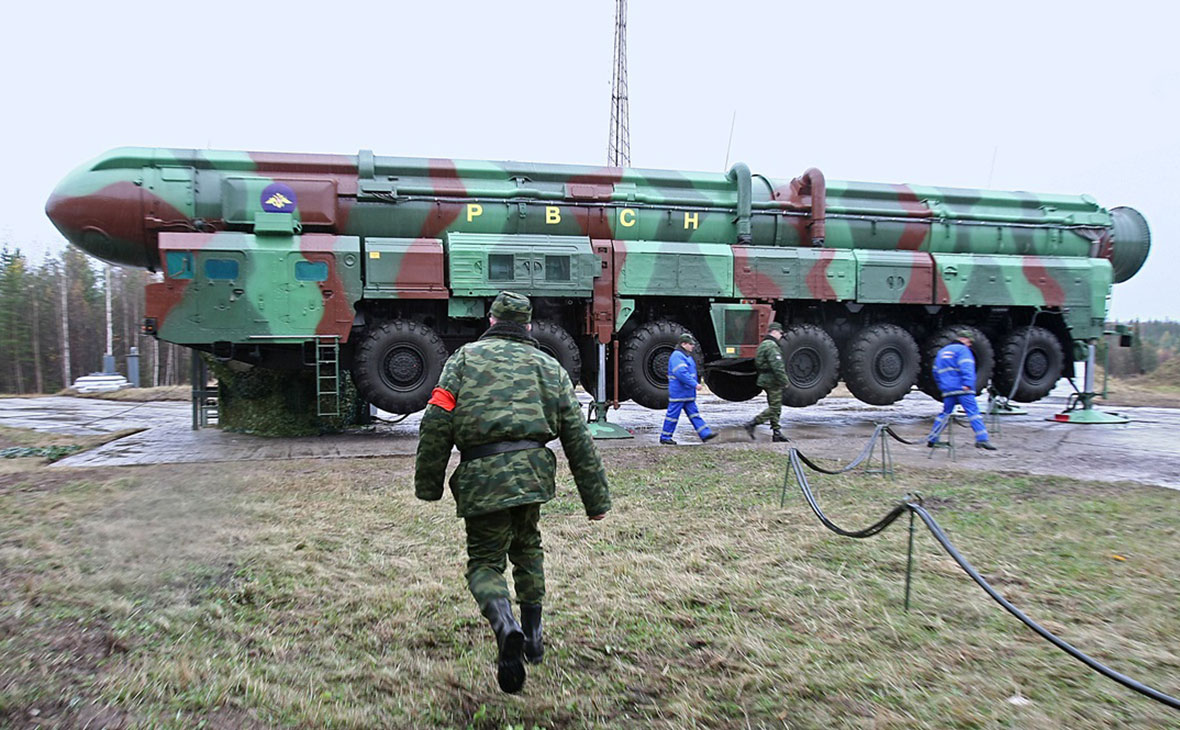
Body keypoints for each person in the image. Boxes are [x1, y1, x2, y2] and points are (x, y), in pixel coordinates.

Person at [414, 291, 612, 694]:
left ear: (491, 321)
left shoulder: (463, 362)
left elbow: (436, 422)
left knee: (485, 563)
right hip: (533, 477)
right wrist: (597, 501)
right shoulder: (549, 368)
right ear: (527, 326)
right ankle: (534, 637)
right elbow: (577, 436)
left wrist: (429, 485)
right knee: (527, 548)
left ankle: (506, 625)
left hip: (482, 477)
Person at [926, 330, 997, 450]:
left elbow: (935, 371)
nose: (970, 345)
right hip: (962, 388)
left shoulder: (942, 352)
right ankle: (982, 439)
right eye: (969, 342)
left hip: (948, 389)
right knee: (973, 413)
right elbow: (967, 367)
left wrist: (942, 385)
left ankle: (933, 439)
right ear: (964, 339)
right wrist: (968, 384)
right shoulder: (963, 350)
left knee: (945, 413)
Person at [660, 333, 716, 445]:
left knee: (694, 414)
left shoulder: (685, 356)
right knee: (673, 416)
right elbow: (681, 373)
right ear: (683, 344)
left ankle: (705, 434)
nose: (692, 346)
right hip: (679, 393)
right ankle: (665, 437)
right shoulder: (677, 356)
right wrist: (694, 384)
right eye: (690, 344)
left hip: (686, 393)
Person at [744, 321, 790, 442]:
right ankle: (753, 423)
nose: (781, 336)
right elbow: (777, 366)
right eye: (780, 333)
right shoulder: (771, 346)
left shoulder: (763, 344)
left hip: (765, 378)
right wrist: (784, 380)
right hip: (772, 380)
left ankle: (776, 432)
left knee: (775, 405)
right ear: (774, 332)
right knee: (775, 407)